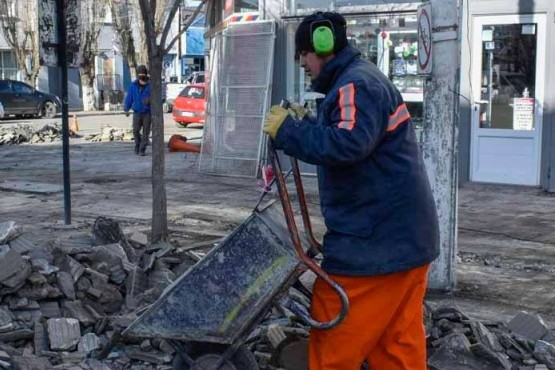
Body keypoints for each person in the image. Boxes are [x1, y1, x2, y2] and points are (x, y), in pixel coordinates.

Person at [263, 11, 440, 370]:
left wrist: (290, 134)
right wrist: (311, 124)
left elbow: (348, 143)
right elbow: (355, 137)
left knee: (335, 338)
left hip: (374, 247)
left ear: (323, 45)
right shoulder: (357, 82)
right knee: (397, 347)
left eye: (303, 53)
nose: (301, 63)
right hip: (406, 242)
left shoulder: (355, 86)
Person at [124, 64, 151, 156]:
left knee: (146, 132)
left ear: (146, 74)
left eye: (143, 73)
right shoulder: (133, 85)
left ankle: (142, 149)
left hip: (148, 112)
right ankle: (137, 145)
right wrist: (126, 109)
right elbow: (129, 98)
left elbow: (156, 97)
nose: (141, 75)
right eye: (140, 74)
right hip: (137, 112)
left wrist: (150, 100)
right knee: (135, 130)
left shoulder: (150, 85)